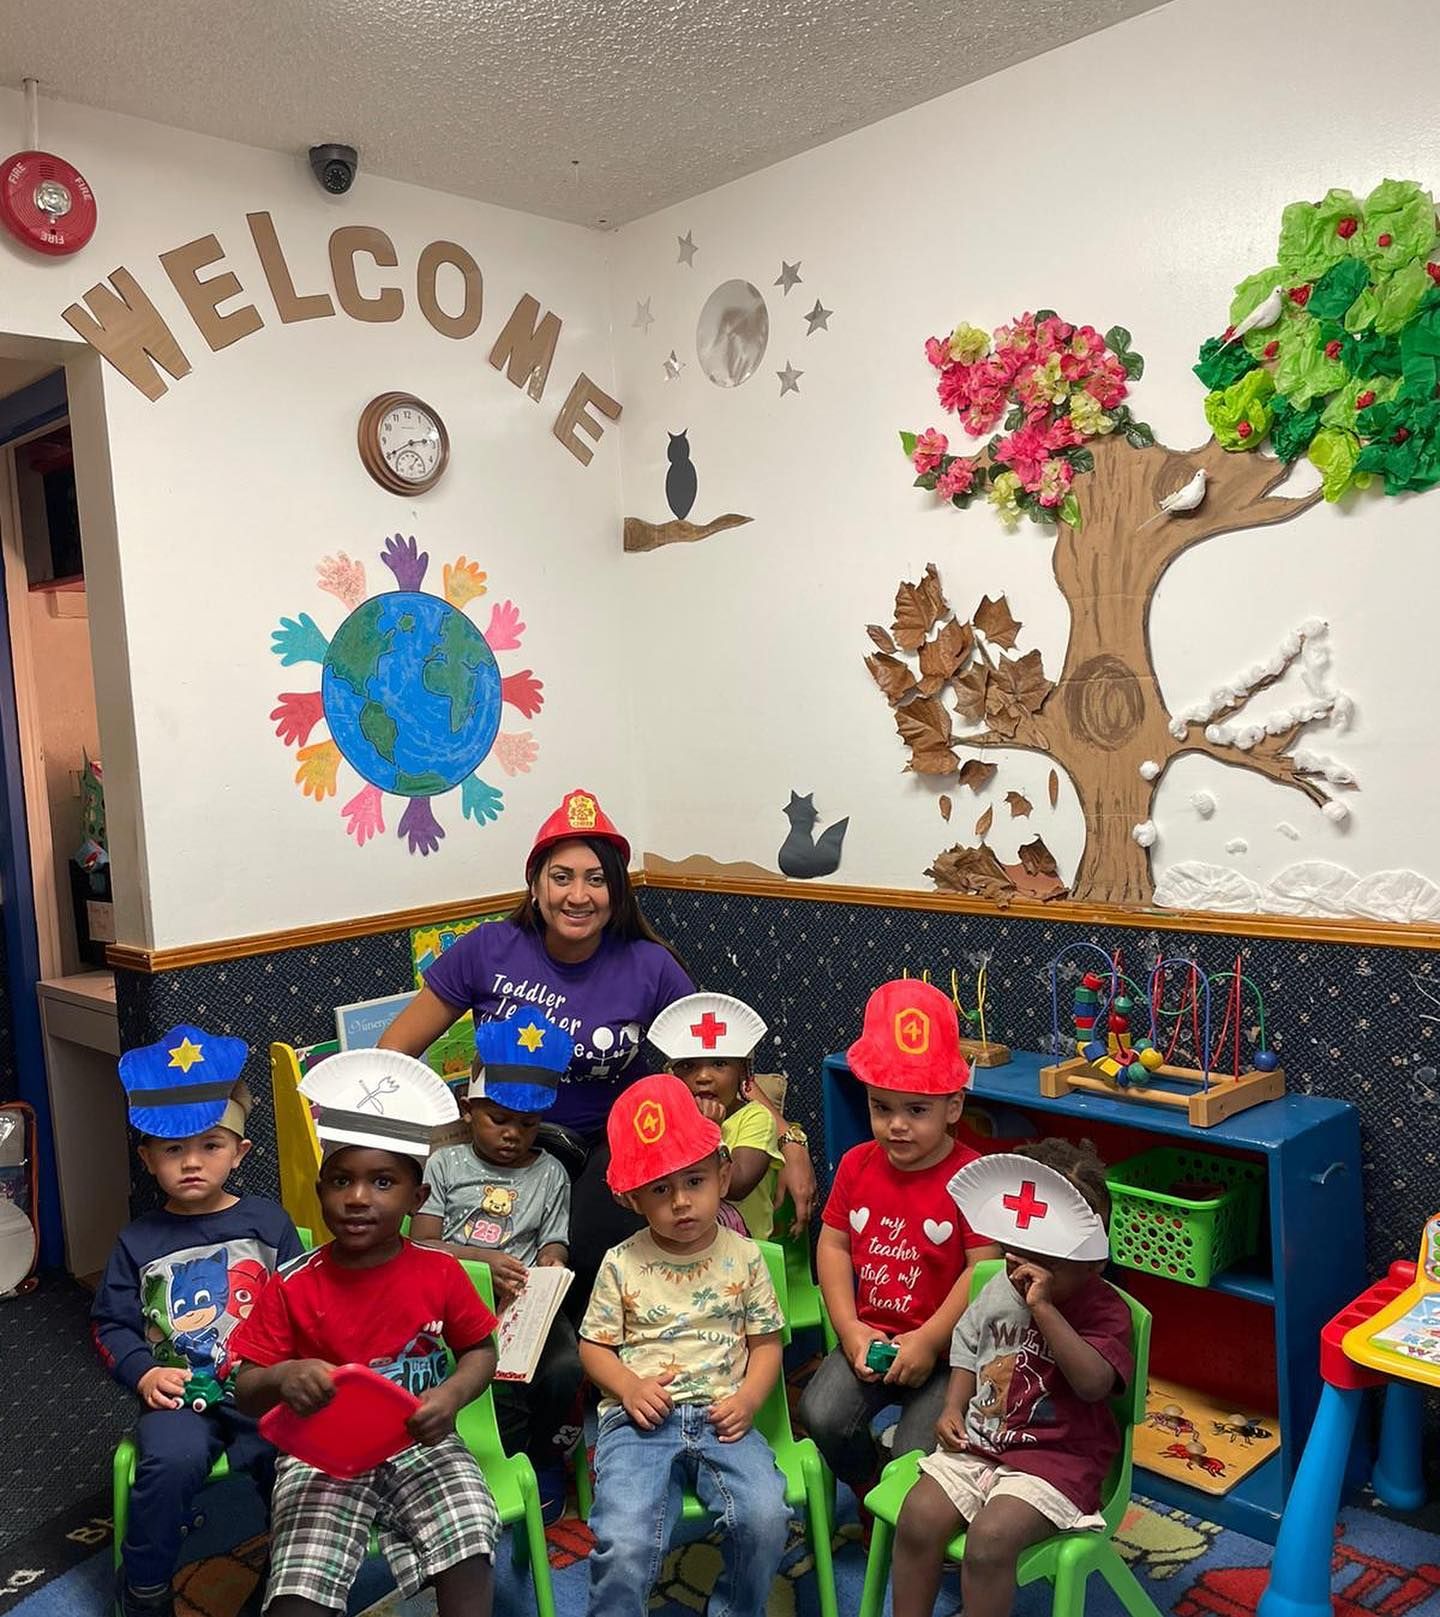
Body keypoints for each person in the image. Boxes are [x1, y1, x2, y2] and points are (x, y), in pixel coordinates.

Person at [378, 787, 694, 1299]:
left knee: (594, 1248)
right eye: (562, 877)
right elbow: (394, 1051)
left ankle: (593, 1365)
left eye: (596, 879)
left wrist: (781, 1134)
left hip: (605, 1144)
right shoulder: (486, 949)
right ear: (535, 884)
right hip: (499, 1134)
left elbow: (715, 1057)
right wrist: (376, 1137)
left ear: (616, 892)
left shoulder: (649, 965)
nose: (578, 895)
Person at [231, 1050, 500, 1617]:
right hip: (320, 1453)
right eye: (340, 1181)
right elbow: (246, 1388)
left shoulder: (440, 1272)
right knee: (300, 1581)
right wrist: (282, 1377)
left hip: (421, 1440)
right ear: (320, 1189)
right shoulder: (291, 1284)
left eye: (382, 1182)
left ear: (417, 1198)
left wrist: (451, 1396)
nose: (357, 1198)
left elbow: (479, 1349)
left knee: (469, 1536)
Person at [93, 1025, 302, 1617]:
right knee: (170, 1463)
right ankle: (145, 1585)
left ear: (239, 1152)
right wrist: (142, 1375)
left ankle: (288, 1578)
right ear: (148, 1159)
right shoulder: (137, 1242)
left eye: (211, 1145)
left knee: (294, 1462)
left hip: (262, 1390)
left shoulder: (268, 1224)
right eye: (172, 1151)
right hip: (179, 1398)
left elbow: (301, 1303)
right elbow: (111, 1326)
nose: (191, 1162)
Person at [891, 1140, 1134, 1617]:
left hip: (1056, 1461)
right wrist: (952, 1407)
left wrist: (1042, 1308)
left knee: (990, 1541)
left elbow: (1091, 1384)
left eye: (1049, 1263)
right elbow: (968, 1345)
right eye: (1013, 1252)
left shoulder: (1107, 1311)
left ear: (1094, 1261)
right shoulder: (998, 1285)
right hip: (981, 1442)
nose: (1023, 1272)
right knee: (917, 1519)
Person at [579, 1074, 790, 1617]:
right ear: (630, 1199)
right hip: (640, 1421)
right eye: (659, 1190)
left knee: (766, 1517)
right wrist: (627, 1385)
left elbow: (767, 1346)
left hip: (725, 1416)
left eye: (694, 1181)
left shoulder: (745, 1257)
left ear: (722, 1174)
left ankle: (731, 1609)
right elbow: (593, 1348)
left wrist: (748, 1401)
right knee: (624, 1538)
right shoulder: (620, 1263)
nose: (680, 1203)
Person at [799, 979, 1001, 1505]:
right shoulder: (855, 1165)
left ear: (953, 1106)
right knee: (819, 1413)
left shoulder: (973, 1177)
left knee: (919, 1452)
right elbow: (834, 1246)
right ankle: (870, 1489)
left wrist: (931, 1340)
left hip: (951, 1352)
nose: (896, 1126)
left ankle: (905, 1492)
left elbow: (983, 1270)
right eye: (881, 1107)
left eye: (917, 1110)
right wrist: (848, 1329)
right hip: (871, 1336)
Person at [409, 1008, 580, 1519]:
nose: (512, 1134)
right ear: (468, 1110)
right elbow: (424, 1243)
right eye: (498, 1119)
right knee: (492, 1382)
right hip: (455, 1301)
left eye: (527, 1124)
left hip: (525, 1304)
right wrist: (482, 1262)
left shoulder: (550, 1172)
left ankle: (543, 1456)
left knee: (565, 1368)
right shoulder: (445, 1164)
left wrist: (551, 1262)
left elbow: (555, 1242)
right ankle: (494, 1464)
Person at [650, 992, 786, 1239]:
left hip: (744, 1249)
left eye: (720, 1063)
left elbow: (735, 1187)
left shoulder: (756, 1118)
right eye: (688, 1066)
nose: (703, 1076)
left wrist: (710, 1134)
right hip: (680, 1238)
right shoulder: (665, 1118)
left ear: (743, 1073)